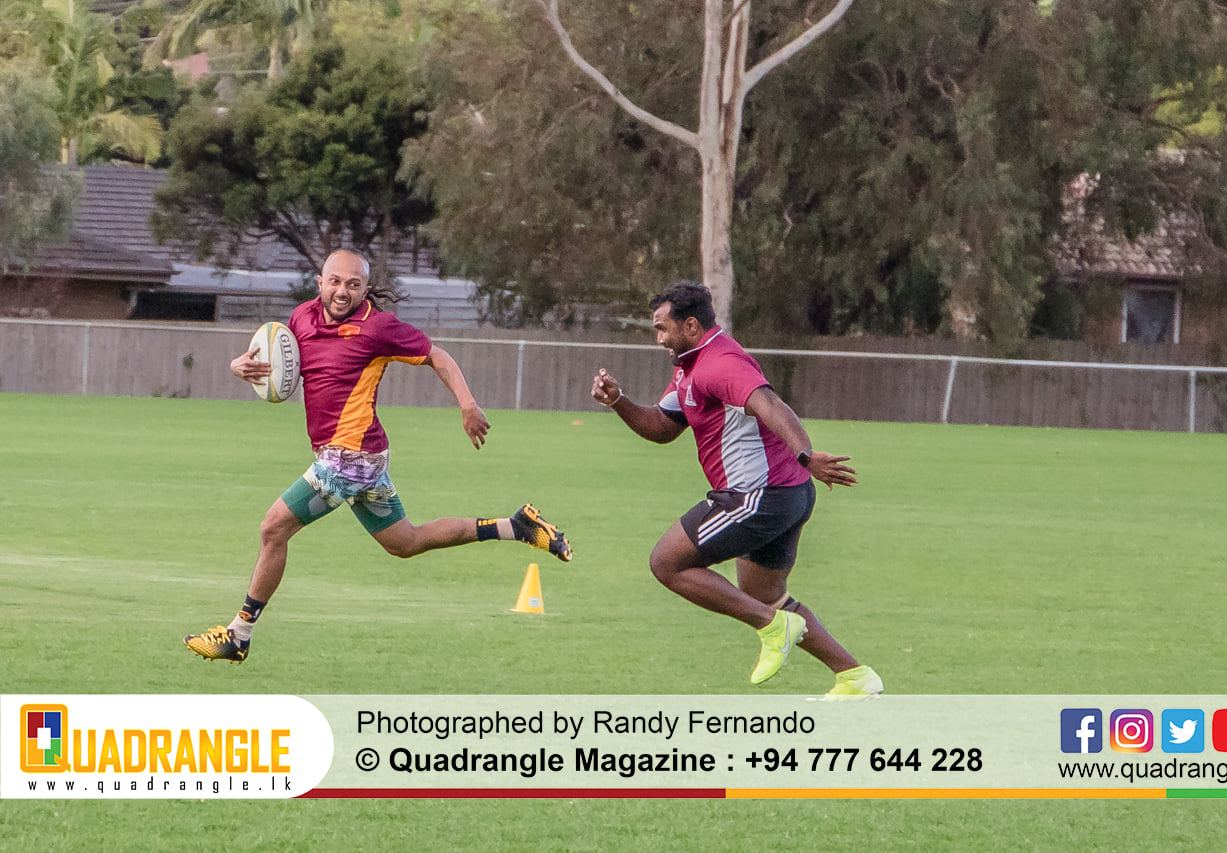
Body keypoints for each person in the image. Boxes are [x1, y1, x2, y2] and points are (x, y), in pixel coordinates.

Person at [184, 250, 570, 662]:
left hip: (348, 459)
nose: (342, 291)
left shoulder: (377, 327)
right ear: (320, 281)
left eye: (353, 284)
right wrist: (240, 365)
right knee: (405, 542)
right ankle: (516, 526)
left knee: (273, 529)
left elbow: (437, 356)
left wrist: (468, 405)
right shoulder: (300, 319)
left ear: (365, 288)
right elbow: (281, 366)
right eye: (335, 281)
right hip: (362, 458)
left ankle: (239, 634)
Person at [590, 280, 882, 698]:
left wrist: (806, 454)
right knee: (766, 595)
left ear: (690, 326)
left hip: (758, 495)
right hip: (787, 495)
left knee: (666, 564)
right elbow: (660, 427)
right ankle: (854, 677)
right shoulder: (690, 367)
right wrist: (619, 401)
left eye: (662, 328)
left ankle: (773, 627)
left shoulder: (721, 363)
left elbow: (769, 404)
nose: (658, 339)